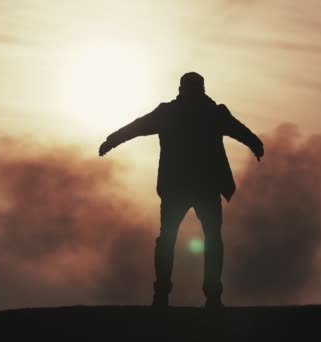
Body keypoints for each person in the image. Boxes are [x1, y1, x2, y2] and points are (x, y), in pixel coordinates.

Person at [99, 72, 264, 308]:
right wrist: (256, 144)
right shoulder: (211, 113)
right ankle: (206, 295)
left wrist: (112, 140)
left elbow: (137, 127)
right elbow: (241, 131)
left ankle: (171, 295)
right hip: (198, 186)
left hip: (181, 186)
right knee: (204, 239)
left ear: (181, 89)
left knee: (174, 239)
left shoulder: (174, 113)